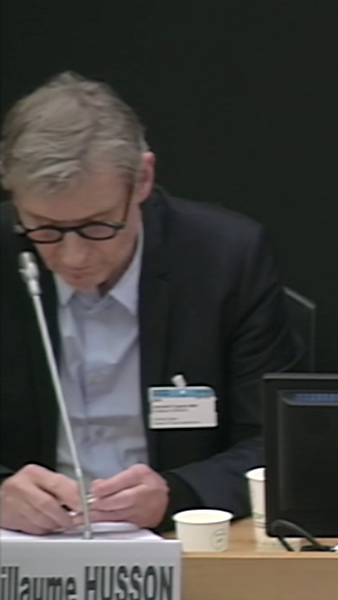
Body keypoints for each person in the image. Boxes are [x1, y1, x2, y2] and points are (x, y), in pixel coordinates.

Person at [0, 72, 302, 535]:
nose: (72, 256)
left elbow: (275, 442)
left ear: (142, 179)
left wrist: (177, 494)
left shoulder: (224, 259)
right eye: (44, 229)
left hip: (176, 540)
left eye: (97, 226)